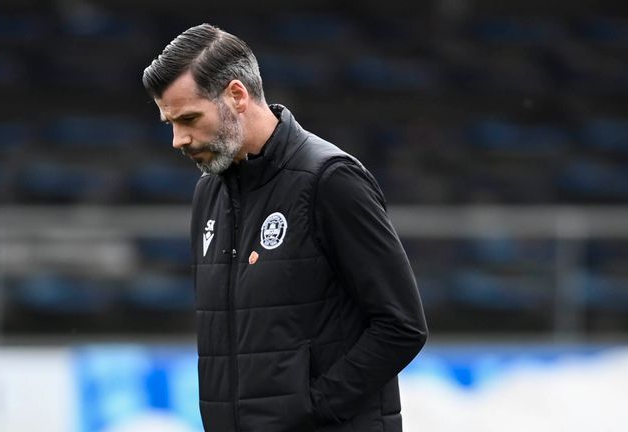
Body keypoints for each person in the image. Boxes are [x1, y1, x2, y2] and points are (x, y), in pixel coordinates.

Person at [142, 23, 427, 432]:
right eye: (169, 122)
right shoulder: (208, 195)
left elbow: (402, 325)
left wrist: (312, 409)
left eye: (188, 118)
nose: (178, 139)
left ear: (236, 96)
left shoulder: (329, 180)